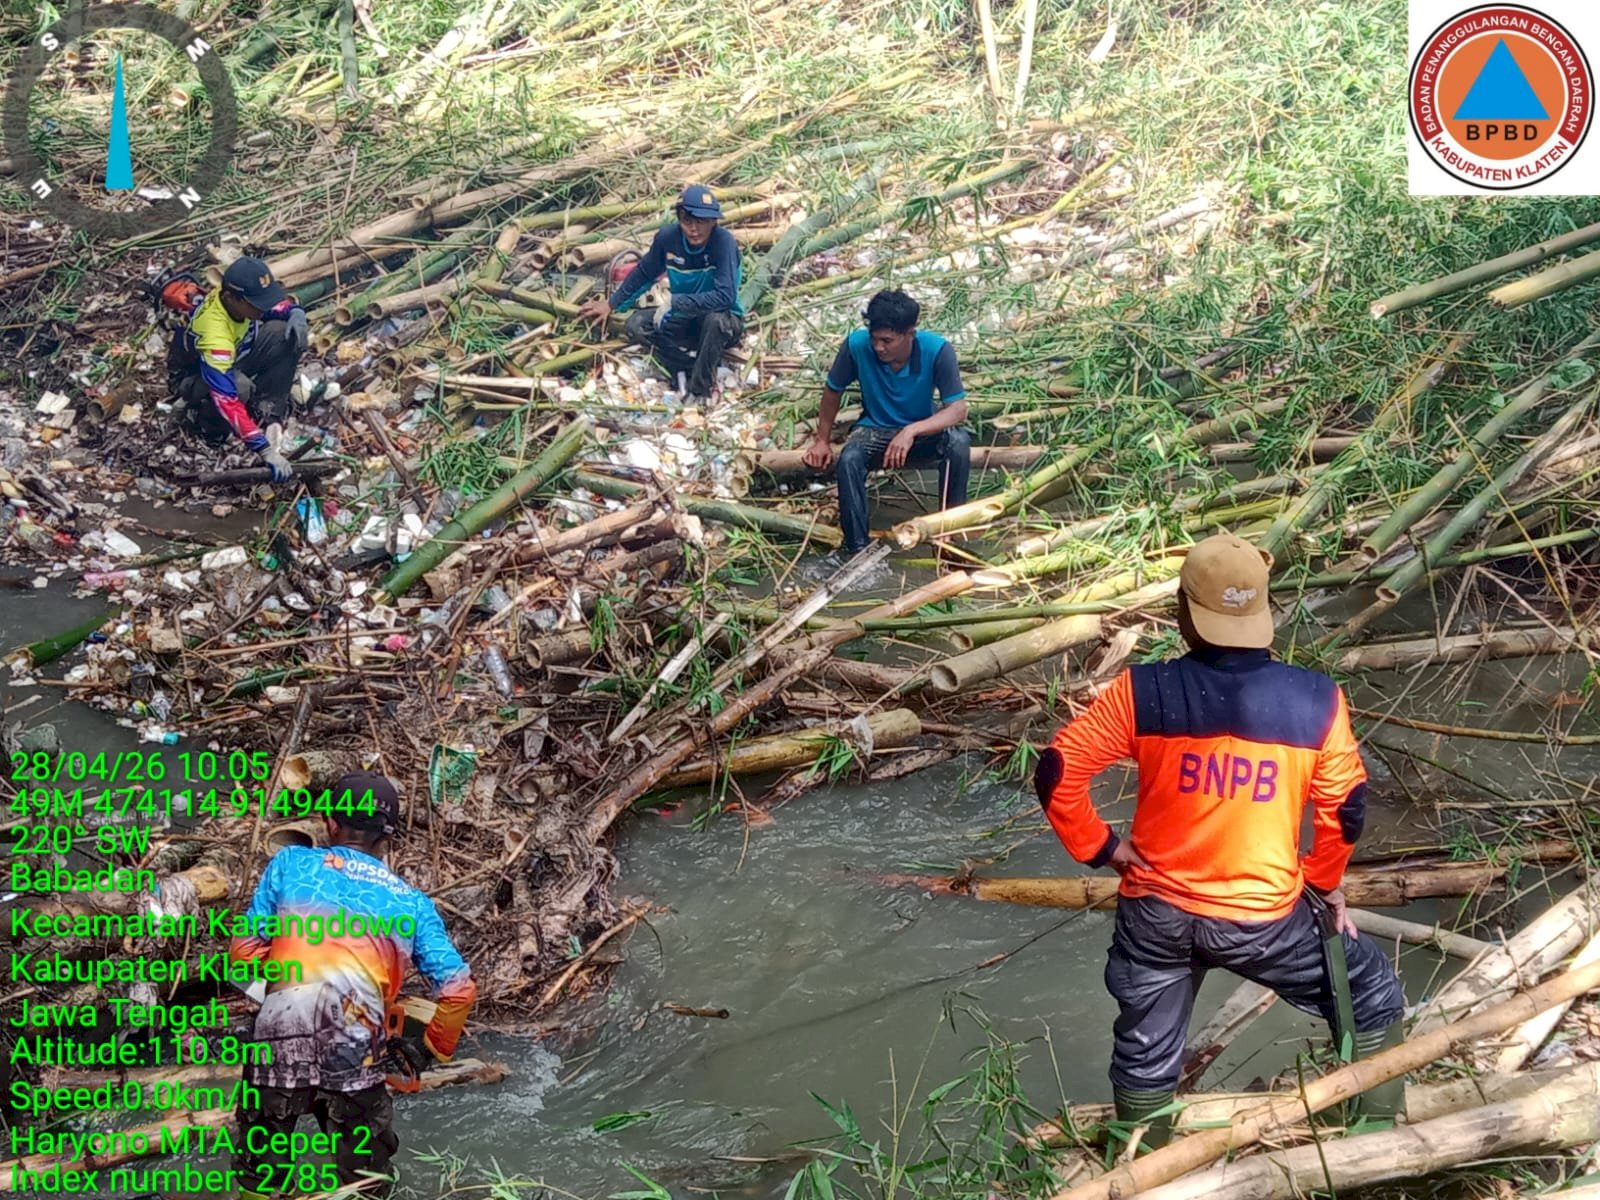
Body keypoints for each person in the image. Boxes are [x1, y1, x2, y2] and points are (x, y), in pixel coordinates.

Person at [1034, 533, 1405, 1150]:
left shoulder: (1140, 692)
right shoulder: (1316, 700)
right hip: (1264, 920)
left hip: (1156, 915)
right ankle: (1372, 1137)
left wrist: (1101, 847)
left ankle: (1140, 1160)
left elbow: (1056, 771)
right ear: (1261, 613)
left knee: (1145, 1050)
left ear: (1185, 612)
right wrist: (1322, 883)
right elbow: (1346, 809)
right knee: (1367, 992)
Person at [229, 772, 477, 1199]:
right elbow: (459, 991)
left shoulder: (290, 865)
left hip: (278, 1033)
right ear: (389, 838)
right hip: (358, 1043)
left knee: (261, 1172)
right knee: (365, 1180)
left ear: (329, 824)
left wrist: (279, 997)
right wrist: (428, 1050)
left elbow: (242, 957)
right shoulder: (411, 903)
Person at [802, 290, 971, 557]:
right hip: (875, 430)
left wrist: (912, 430)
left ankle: (950, 530)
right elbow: (833, 390)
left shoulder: (937, 350)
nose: (879, 347)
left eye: (887, 341)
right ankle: (856, 547)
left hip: (920, 432)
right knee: (850, 458)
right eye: (875, 339)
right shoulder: (856, 346)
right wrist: (822, 440)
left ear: (910, 334)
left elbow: (958, 410)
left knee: (959, 442)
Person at [575, 184, 744, 403]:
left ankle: (700, 389)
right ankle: (688, 366)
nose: (694, 229)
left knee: (715, 321)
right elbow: (645, 273)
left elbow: (725, 298)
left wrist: (676, 302)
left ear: (713, 222)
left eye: (701, 222)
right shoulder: (668, 238)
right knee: (636, 325)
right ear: (679, 220)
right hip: (687, 320)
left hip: (724, 323)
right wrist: (611, 304)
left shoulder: (723, 243)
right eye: (687, 221)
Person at [161, 255, 307, 481]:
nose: (264, 307)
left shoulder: (237, 304)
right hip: (194, 376)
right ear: (231, 297)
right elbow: (226, 398)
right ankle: (208, 428)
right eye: (257, 302)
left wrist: (295, 311)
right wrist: (264, 449)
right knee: (239, 388)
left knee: (283, 334)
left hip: (236, 355)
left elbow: (274, 308)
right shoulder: (214, 333)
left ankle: (268, 412)